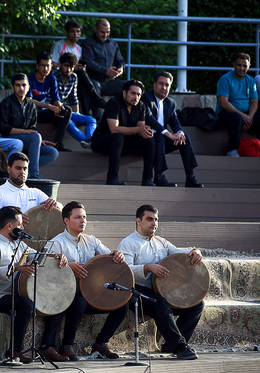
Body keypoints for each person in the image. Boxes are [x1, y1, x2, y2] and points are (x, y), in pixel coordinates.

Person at [0, 206, 69, 363]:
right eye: (20, 225)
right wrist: (16, 268)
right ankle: (15, 350)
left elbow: (35, 255)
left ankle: (47, 345)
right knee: (26, 304)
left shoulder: (18, 244)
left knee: (54, 298)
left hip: (16, 292)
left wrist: (54, 255)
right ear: (10, 226)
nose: (22, 228)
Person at [43, 201, 128, 361]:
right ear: (66, 221)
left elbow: (109, 258)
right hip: (66, 293)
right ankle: (67, 345)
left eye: (84, 217)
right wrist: (69, 268)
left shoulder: (92, 240)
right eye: (78, 217)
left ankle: (101, 343)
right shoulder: (56, 243)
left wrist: (117, 254)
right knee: (79, 302)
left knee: (123, 304)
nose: (83, 221)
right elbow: (45, 271)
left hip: (93, 293)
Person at [119, 204, 204, 360]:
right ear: (138, 221)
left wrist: (194, 251)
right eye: (149, 219)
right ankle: (179, 347)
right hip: (136, 292)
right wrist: (147, 268)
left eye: (156, 220)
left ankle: (170, 344)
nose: (154, 223)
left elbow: (180, 252)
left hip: (161, 292)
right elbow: (125, 272)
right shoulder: (128, 243)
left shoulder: (162, 242)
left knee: (197, 304)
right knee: (160, 302)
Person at [142, 71, 203, 188]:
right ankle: (158, 176)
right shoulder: (146, 98)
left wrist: (179, 133)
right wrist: (168, 134)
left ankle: (190, 177)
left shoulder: (170, 103)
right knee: (160, 135)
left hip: (160, 142)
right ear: (154, 85)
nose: (164, 87)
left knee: (185, 138)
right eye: (161, 84)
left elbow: (175, 122)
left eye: (167, 85)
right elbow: (149, 119)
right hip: (146, 140)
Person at [91, 80, 155, 186]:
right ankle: (112, 178)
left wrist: (145, 131)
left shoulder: (141, 106)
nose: (136, 97)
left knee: (149, 139)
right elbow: (114, 129)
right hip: (102, 141)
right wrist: (139, 130)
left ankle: (147, 178)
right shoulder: (114, 103)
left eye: (139, 94)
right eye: (133, 93)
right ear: (124, 93)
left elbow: (140, 127)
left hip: (123, 143)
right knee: (118, 136)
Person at [0, 73, 59, 178]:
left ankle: (29, 170)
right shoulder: (6, 103)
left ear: (28, 87)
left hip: (28, 139)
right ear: (13, 87)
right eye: (18, 85)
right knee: (35, 137)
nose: (21, 88)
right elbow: (4, 129)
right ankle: (34, 175)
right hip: (10, 137)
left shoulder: (31, 105)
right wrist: (23, 132)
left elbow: (33, 128)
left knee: (52, 152)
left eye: (24, 85)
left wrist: (39, 140)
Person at [0, 152, 62, 232]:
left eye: (25, 168)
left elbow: (60, 210)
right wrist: (14, 221)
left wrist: (55, 204)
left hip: (31, 243)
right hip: (5, 243)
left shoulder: (36, 193)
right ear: (9, 169)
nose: (22, 172)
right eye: (18, 168)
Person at [51, 19, 106, 119]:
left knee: (84, 86)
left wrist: (80, 68)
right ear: (67, 32)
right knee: (82, 77)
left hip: (75, 78)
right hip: (61, 77)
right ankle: (95, 101)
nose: (75, 34)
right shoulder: (59, 46)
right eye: (72, 31)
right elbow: (53, 65)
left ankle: (88, 115)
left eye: (78, 31)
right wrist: (72, 68)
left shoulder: (79, 48)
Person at [27, 51, 73, 152]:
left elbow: (55, 99)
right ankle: (35, 143)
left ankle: (58, 143)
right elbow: (28, 100)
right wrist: (49, 106)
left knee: (66, 110)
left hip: (43, 113)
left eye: (48, 66)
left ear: (51, 66)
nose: (45, 69)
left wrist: (59, 107)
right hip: (30, 114)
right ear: (37, 66)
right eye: (43, 66)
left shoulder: (51, 78)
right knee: (31, 108)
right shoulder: (29, 78)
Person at [216, 52, 260, 156]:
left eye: (245, 66)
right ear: (234, 65)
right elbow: (223, 103)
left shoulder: (251, 81)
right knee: (236, 118)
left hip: (246, 116)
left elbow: (254, 101)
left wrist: (250, 117)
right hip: (227, 114)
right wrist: (242, 116)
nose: (241, 68)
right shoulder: (225, 79)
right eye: (239, 65)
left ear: (249, 66)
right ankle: (232, 150)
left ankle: (257, 147)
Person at [51, 52, 97, 148]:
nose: (69, 69)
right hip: (52, 111)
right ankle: (87, 142)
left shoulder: (73, 77)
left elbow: (73, 98)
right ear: (60, 64)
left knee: (91, 120)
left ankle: (90, 139)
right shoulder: (52, 75)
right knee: (68, 121)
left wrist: (77, 114)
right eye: (66, 66)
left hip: (66, 110)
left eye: (71, 67)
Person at [82, 18, 126, 97]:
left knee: (128, 87)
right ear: (96, 29)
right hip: (93, 79)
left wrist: (120, 68)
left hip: (109, 81)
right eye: (102, 32)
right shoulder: (88, 43)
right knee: (94, 87)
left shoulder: (113, 43)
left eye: (107, 32)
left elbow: (120, 60)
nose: (105, 35)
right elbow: (89, 63)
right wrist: (105, 71)